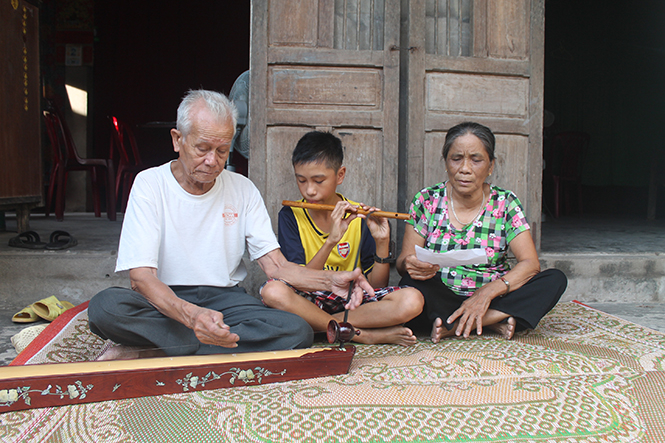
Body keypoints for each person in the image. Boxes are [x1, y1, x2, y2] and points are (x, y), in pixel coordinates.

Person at [88, 90, 373, 359]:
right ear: (177, 140)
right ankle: (209, 342)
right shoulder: (149, 184)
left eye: (222, 151)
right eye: (203, 148)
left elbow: (276, 267)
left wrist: (329, 280)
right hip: (166, 300)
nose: (212, 161)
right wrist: (192, 315)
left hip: (226, 301)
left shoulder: (243, 189)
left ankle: (177, 345)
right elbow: (141, 279)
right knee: (105, 308)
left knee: (296, 330)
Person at [396, 122, 567, 343]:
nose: (464, 168)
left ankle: (459, 322)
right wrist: (412, 264)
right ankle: (493, 321)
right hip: (441, 293)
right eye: (456, 158)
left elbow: (530, 264)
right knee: (409, 285)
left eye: (476, 160)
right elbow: (403, 264)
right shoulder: (426, 199)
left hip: (494, 296)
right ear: (446, 162)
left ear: (490, 166)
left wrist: (486, 293)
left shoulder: (505, 202)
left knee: (554, 279)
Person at [261, 131, 423, 346]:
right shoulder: (291, 215)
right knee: (273, 292)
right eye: (301, 180)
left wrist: (382, 243)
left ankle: (321, 326)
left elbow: (374, 287)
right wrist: (331, 241)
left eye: (319, 180)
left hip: (351, 301)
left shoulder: (358, 218)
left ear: (340, 175)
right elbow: (301, 281)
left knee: (412, 300)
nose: (310, 190)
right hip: (310, 298)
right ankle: (360, 334)